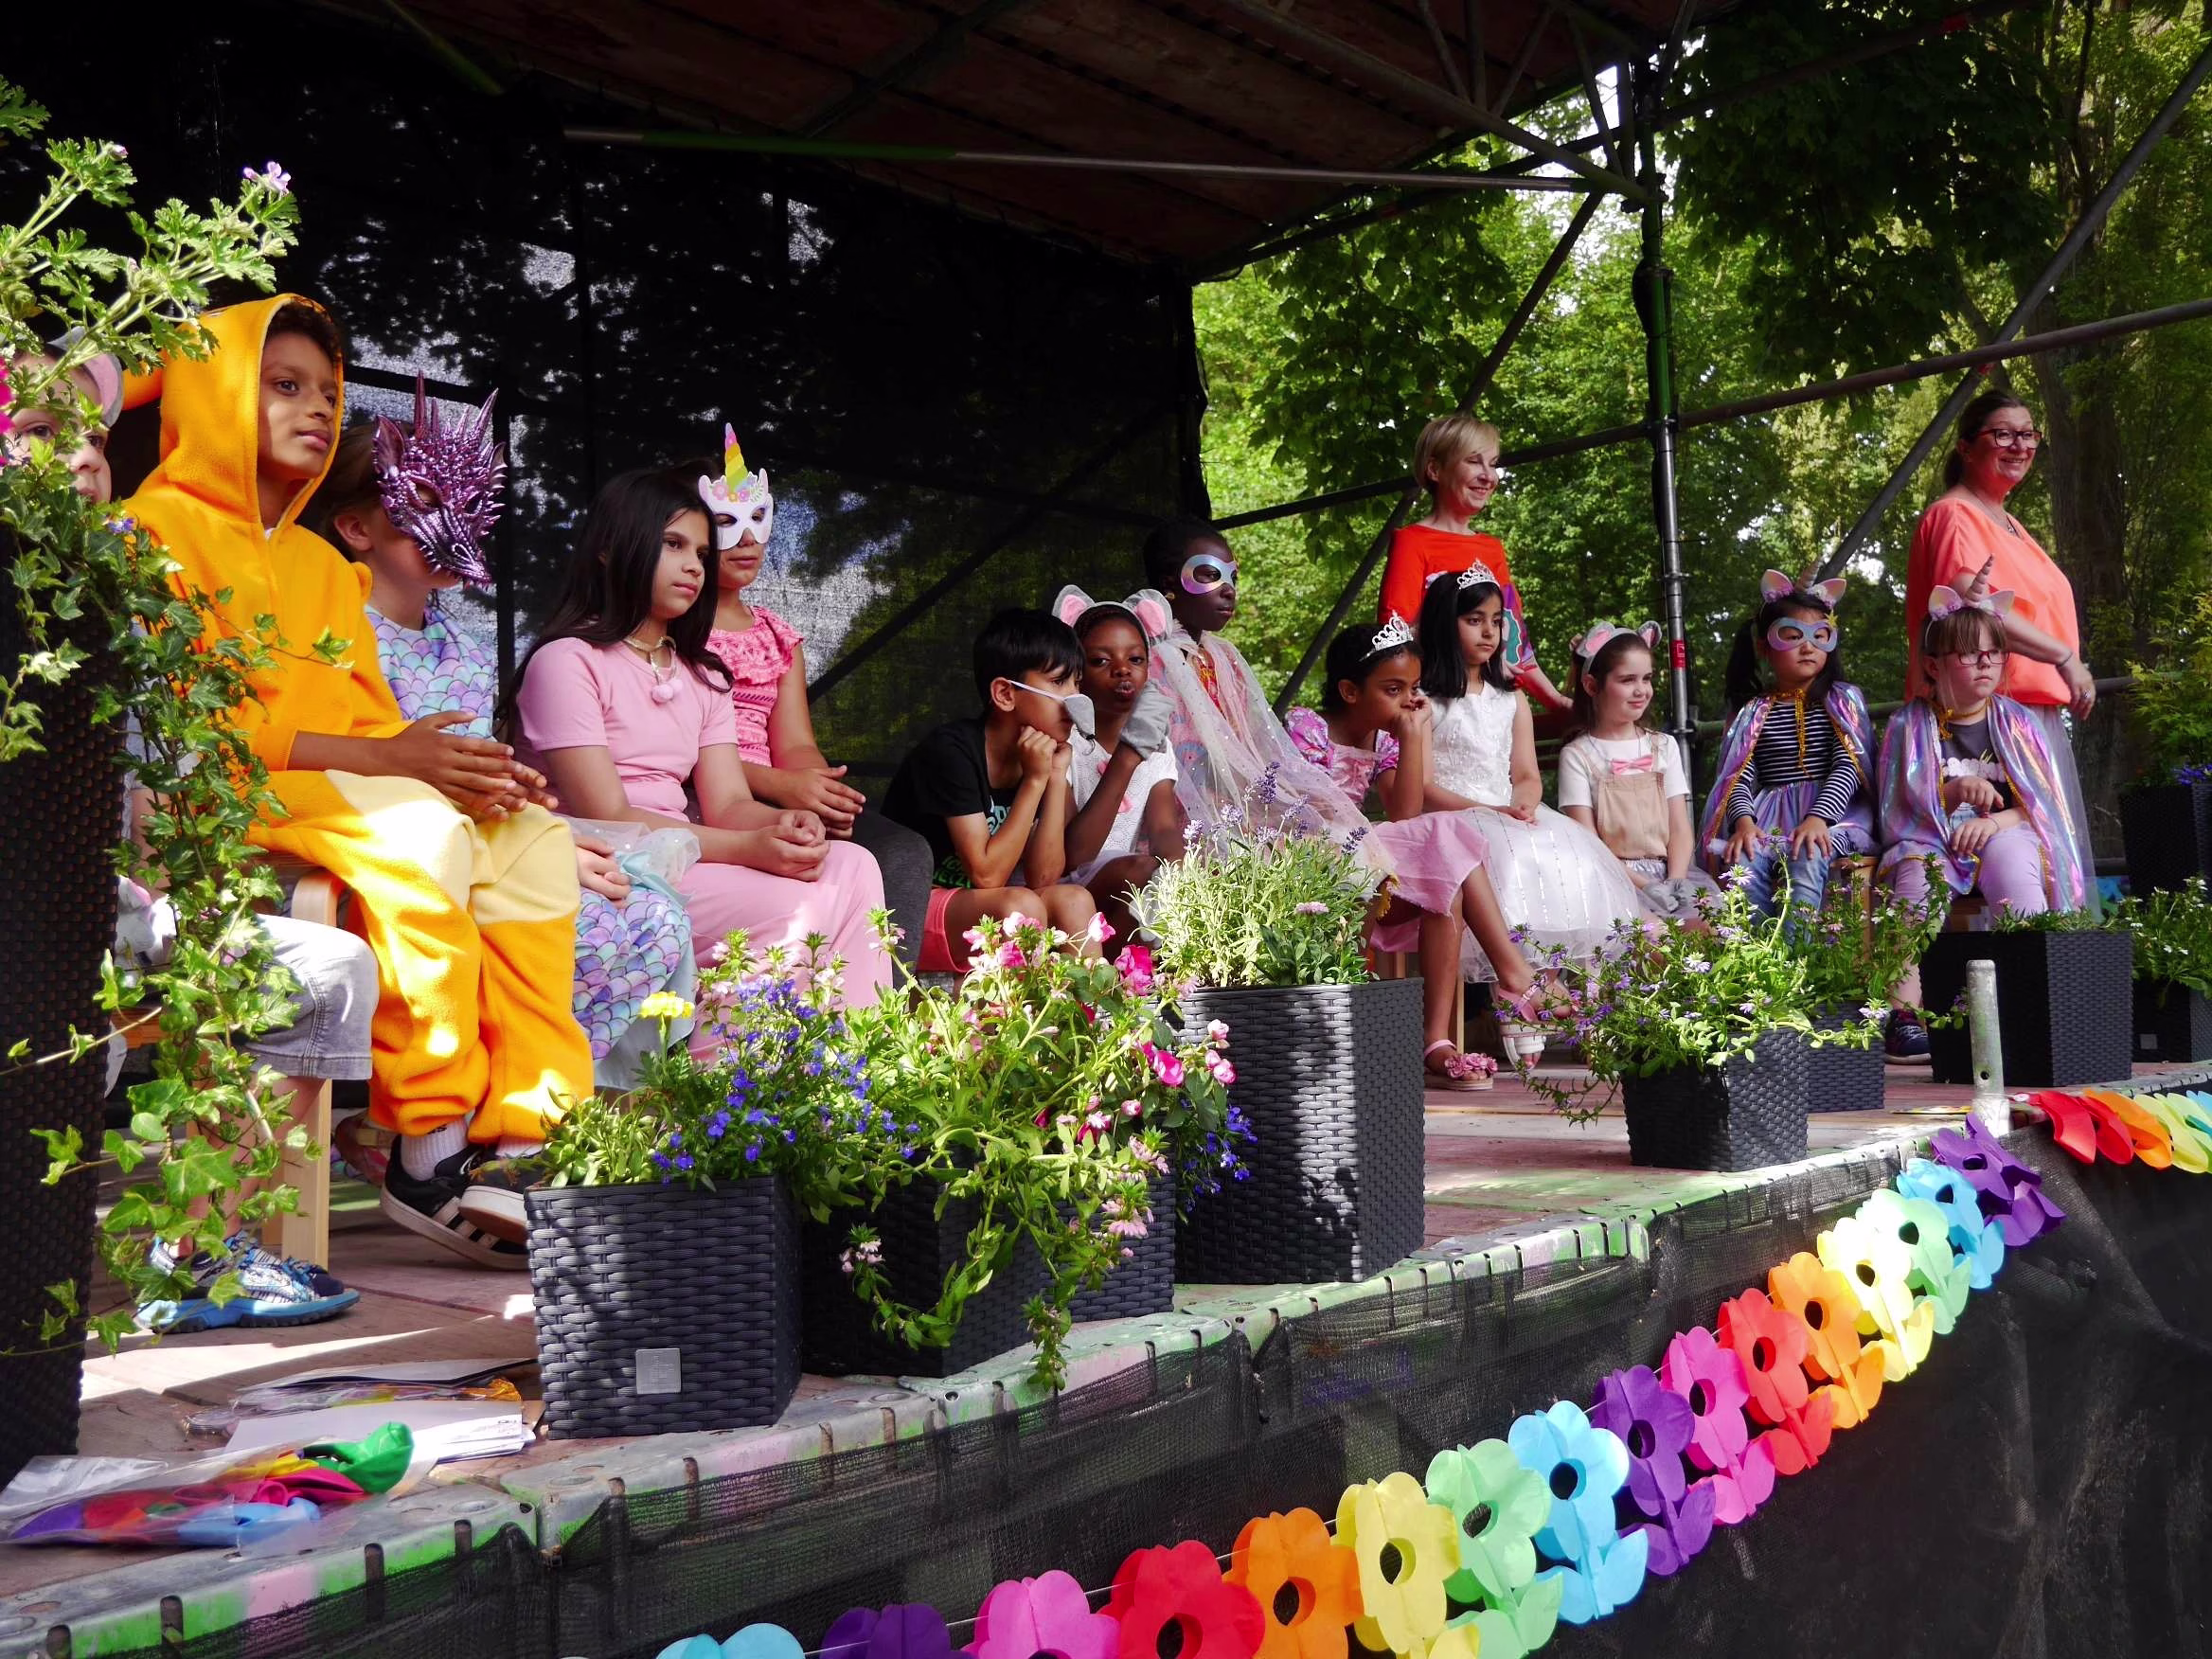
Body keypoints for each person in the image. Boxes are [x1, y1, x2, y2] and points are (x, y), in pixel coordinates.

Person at [120, 294, 591, 1267]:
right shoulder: (149, 532)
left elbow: (370, 722)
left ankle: (525, 1136)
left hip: (331, 790)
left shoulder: (325, 568)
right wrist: (397, 766)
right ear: (213, 393)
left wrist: (463, 776)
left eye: (328, 395)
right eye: (282, 386)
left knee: (533, 840)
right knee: (420, 831)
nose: (315, 409)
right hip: (218, 799)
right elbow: (186, 739)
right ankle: (428, 1143)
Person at [11, 342, 369, 1327]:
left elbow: (152, 790)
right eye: (41, 433)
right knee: (60, 1015)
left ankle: (203, 1255)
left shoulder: (120, 605)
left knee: (326, 968)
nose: (83, 458)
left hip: (117, 912)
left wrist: (166, 863)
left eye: (93, 441)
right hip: (30, 925)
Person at [307, 406, 689, 1084]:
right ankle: (460, 1108)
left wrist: (528, 810)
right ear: (356, 528)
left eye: (467, 502)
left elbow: (477, 770)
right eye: (427, 503)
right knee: (589, 922)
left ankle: (542, 1107)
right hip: (393, 855)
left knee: (651, 911)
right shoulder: (327, 633)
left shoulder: (467, 645)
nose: (454, 522)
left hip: (488, 840)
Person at [513, 469, 891, 1023]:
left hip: (680, 852)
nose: (694, 565)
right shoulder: (566, 661)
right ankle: (730, 1070)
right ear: (610, 550)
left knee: (853, 864)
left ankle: (861, 1051)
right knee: (796, 907)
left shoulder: (703, 675)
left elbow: (730, 804)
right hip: (606, 862)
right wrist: (748, 848)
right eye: (673, 545)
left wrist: (782, 825)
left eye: (701, 552)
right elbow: (608, 815)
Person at [699, 428, 933, 966]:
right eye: (726, 522)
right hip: (706, 792)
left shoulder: (777, 635)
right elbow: (683, 750)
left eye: (758, 520)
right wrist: (780, 786)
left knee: (902, 850)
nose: (748, 539)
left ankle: (886, 1006)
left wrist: (818, 790)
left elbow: (795, 742)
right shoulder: (678, 631)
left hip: (776, 791)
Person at [1292, 619, 1553, 1084]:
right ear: (1350, 691)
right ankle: (1514, 975)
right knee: (1443, 844)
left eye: (1413, 687)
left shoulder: (1387, 738)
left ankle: (1435, 1039)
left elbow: (1406, 813)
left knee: (1446, 882)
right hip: (1314, 864)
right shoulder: (1308, 727)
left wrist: (1413, 737)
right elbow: (1311, 815)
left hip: (1365, 863)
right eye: (1393, 689)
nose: (1410, 700)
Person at [1878, 565, 2086, 1054]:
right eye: (1970, 654)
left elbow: (2043, 807)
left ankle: (2036, 998)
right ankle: (1903, 1014)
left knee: (2014, 864)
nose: (1986, 664)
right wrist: (1950, 794)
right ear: (1935, 666)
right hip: (1931, 840)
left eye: (1994, 653)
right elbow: (1895, 809)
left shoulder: (2018, 723)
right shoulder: (1908, 724)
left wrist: (1995, 822)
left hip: (2004, 833)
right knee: (1916, 882)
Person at [1903, 389, 2098, 901]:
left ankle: (2052, 949)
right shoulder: (1954, 515)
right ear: (1966, 447)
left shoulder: (2007, 522)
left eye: (2028, 434)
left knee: (2046, 863)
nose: (2020, 445)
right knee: (2010, 862)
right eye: (2004, 434)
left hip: (2023, 715)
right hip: (1983, 724)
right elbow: (1976, 609)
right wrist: (2064, 656)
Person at [1416, 566, 1645, 963]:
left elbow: (1525, 774)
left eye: (1495, 621)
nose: (1489, 632)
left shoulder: (1510, 698)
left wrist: (1522, 804)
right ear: (1444, 624)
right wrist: (1491, 811)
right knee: (1510, 858)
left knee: (1565, 853)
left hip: (1507, 810)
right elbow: (1423, 787)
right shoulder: (1426, 701)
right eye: (1474, 620)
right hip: (1452, 818)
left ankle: (1546, 977)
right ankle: (1515, 980)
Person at [1136, 518, 1377, 849]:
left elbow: (1252, 749)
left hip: (1232, 809)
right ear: (1169, 582)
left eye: (1233, 578)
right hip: (1167, 818)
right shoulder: (1147, 658)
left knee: (1338, 842)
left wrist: (1291, 798)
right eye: (1210, 574)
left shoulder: (1224, 657)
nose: (1229, 590)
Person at [881, 609, 1101, 971]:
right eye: (1059, 682)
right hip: (910, 910)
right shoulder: (951, 751)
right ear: (1005, 694)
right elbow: (987, 876)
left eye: (1077, 684)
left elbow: (1044, 876)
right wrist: (1034, 781)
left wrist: (1054, 776)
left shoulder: (1039, 755)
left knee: (1074, 899)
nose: (1075, 700)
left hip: (974, 907)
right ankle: (1019, 1009)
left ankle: (1098, 1007)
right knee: (1020, 908)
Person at [1697, 571, 1874, 927]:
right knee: (1743, 863)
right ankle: (1759, 954)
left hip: (1835, 817)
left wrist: (1818, 819)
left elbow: (1848, 766)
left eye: (1819, 636)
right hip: (1769, 820)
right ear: (1765, 646)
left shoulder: (1841, 700)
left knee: (1807, 853)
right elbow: (1739, 776)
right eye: (1793, 637)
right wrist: (1744, 824)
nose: (1808, 647)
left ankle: (1799, 953)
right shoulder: (1753, 712)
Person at [1375, 414, 1568, 711]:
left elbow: (1514, 642)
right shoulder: (1411, 541)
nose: (1489, 476)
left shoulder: (1492, 549)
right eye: (1474, 462)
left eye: (1493, 464)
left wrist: (1556, 702)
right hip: (1436, 702)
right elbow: (1395, 640)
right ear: (1435, 470)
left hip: (1491, 700)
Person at [1052, 587, 1184, 948]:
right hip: (1065, 885)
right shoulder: (1066, 742)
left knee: (1163, 881)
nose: (1122, 669)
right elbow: (1073, 856)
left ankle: (1132, 976)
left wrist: (1178, 870)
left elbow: (1164, 827)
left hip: (1126, 884)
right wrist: (1127, 756)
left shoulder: (1158, 744)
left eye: (1136, 659)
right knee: (1142, 872)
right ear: (1076, 672)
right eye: (1100, 661)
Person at [1557, 622, 1716, 918]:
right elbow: (1590, 843)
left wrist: (1676, 879)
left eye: (1647, 678)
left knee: (1708, 927)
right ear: (1592, 685)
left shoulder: (1663, 746)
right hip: (1611, 877)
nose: (1641, 690)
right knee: (1650, 937)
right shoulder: (1578, 756)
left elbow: (1680, 827)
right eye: (1627, 680)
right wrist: (1645, 886)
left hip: (1671, 872)